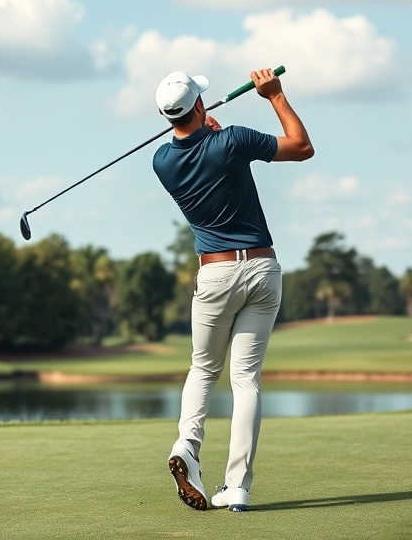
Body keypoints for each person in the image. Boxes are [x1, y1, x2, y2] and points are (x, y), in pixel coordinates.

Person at [152, 67, 314, 511]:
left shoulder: (162, 162)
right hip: (262, 270)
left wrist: (208, 131)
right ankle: (237, 486)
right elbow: (302, 148)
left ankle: (188, 445)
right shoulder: (233, 141)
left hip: (216, 274)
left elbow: (203, 151)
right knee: (245, 380)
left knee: (204, 369)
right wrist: (275, 95)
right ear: (200, 106)